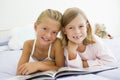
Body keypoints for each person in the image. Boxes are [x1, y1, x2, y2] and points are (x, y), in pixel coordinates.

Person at [16, 9, 65, 75]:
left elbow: (61, 69)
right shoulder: (28, 44)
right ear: (35, 27)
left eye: (54, 32)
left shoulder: (57, 44)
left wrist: (39, 65)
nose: (48, 35)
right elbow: (19, 71)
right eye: (45, 29)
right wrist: (48, 65)